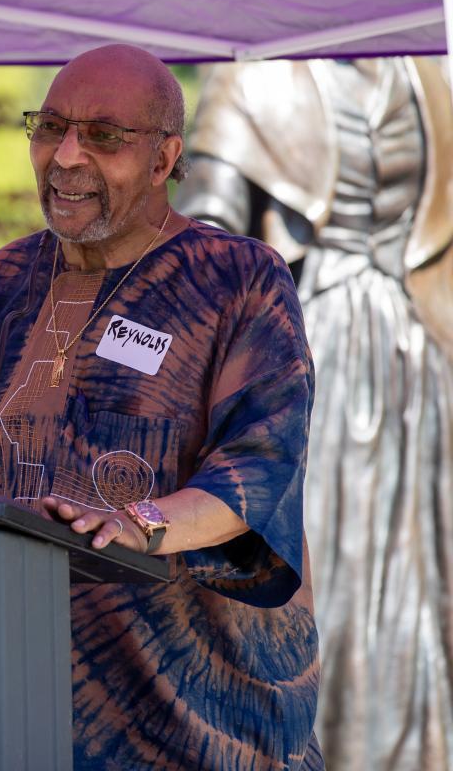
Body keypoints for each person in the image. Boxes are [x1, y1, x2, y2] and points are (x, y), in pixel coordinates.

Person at [0, 44, 324, 770]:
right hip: (17, 702)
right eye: (50, 127)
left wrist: (137, 522)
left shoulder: (238, 282)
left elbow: (255, 470)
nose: (67, 156)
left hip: (196, 718)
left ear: (164, 158)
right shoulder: (0, 285)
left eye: (105, 137)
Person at [175, 57, 453, 771]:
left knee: (420, 574)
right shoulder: (254, 74)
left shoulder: (431, 67)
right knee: (326, 557)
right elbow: (207, 242)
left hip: (421, 362)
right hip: (308, 347)